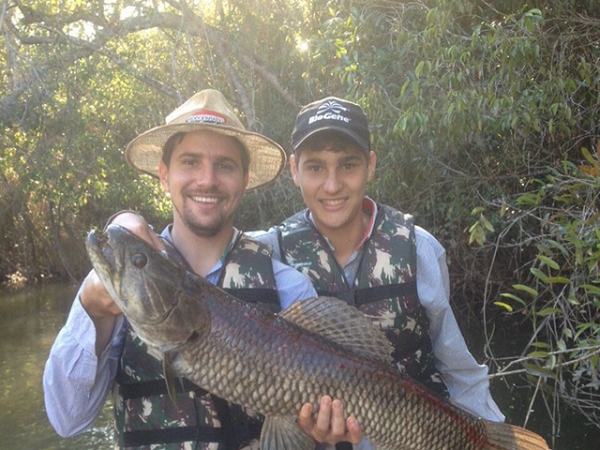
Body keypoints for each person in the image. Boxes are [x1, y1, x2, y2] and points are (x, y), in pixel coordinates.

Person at [43, 89, 318, 450]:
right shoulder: (123, 289)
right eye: (190, 162)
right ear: (163, 175)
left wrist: (318, 430)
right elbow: (68, 419)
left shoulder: (290, 287)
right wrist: (91, 309)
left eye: (225, 165)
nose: (207, 180)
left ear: (244, 178)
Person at [253, 96, 506, 449]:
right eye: (315, 168)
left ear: (370, 166)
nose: (332, 185)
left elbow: (458, 369)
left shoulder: (419, 248)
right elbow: (193, 258)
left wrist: (494, 436)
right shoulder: (268, 253)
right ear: (294, 170)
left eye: (348, 165)